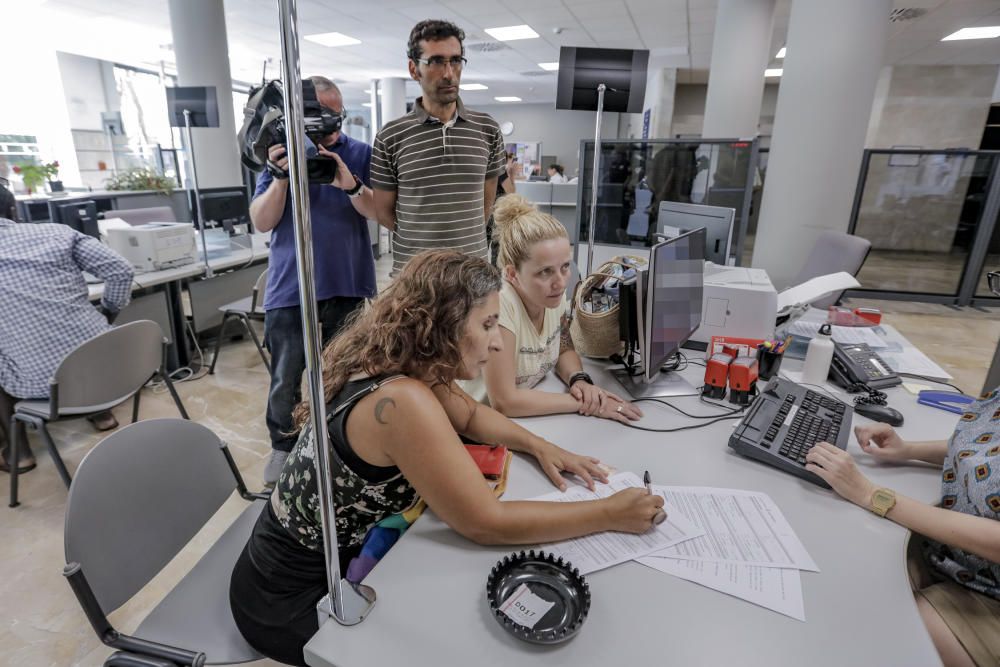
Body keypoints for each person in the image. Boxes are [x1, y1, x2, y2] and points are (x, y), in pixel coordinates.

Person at [229, 251, 664, 665]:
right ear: (443, 325)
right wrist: (610, 512)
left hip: (307, 558)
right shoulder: (401, 402)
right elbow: (485, 523)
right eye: (488, 323)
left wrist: (542, 446)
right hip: (288, 598)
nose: (497, 343)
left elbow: (471, 415)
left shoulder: (405, 357)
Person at [249, 75, 378, 484]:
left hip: (348, 282)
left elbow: (377, 214)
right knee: (286, 378)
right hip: (291, 288)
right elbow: (261, 221)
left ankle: (343, 443)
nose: (333, 123)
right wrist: (282, 177)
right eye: (324, 114)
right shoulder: (279, 153)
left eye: (337, 113)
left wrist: (350, 183)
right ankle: (283, 450)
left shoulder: (359, 152)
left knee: (347, 372)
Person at [806, 407, 1000, 667]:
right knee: (860, 572)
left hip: (989, 592)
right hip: (961, 559)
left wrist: (870, 494)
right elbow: (986, 446)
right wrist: (907, 450)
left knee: (893, 628)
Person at [476, 195, 641, 422]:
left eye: (564, 267)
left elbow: (563, 346)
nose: (561, 282)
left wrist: (579, 380)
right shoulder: (501, 308)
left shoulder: (551, 295)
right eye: (545, 271)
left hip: (529, 418)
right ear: (512, 274)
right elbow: (505, 401)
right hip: (482, 430)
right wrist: (588, 403)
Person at [371, 19, 506, 275]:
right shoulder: (391, 136)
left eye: (455, 60)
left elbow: (486, 204)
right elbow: (384, 212)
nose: (448, 73)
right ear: (414, 69)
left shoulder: (487, 129)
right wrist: (422, 242)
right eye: (436, 62)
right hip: (415, 277)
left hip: (472, 273)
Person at [0, 217, 133, 473]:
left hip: (45, 386)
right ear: (14, 208)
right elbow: (122, 270)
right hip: (115, 371)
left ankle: (20, 454)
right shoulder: (58, 233)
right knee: (78, 340)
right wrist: (107, 313)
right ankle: (103, 415)